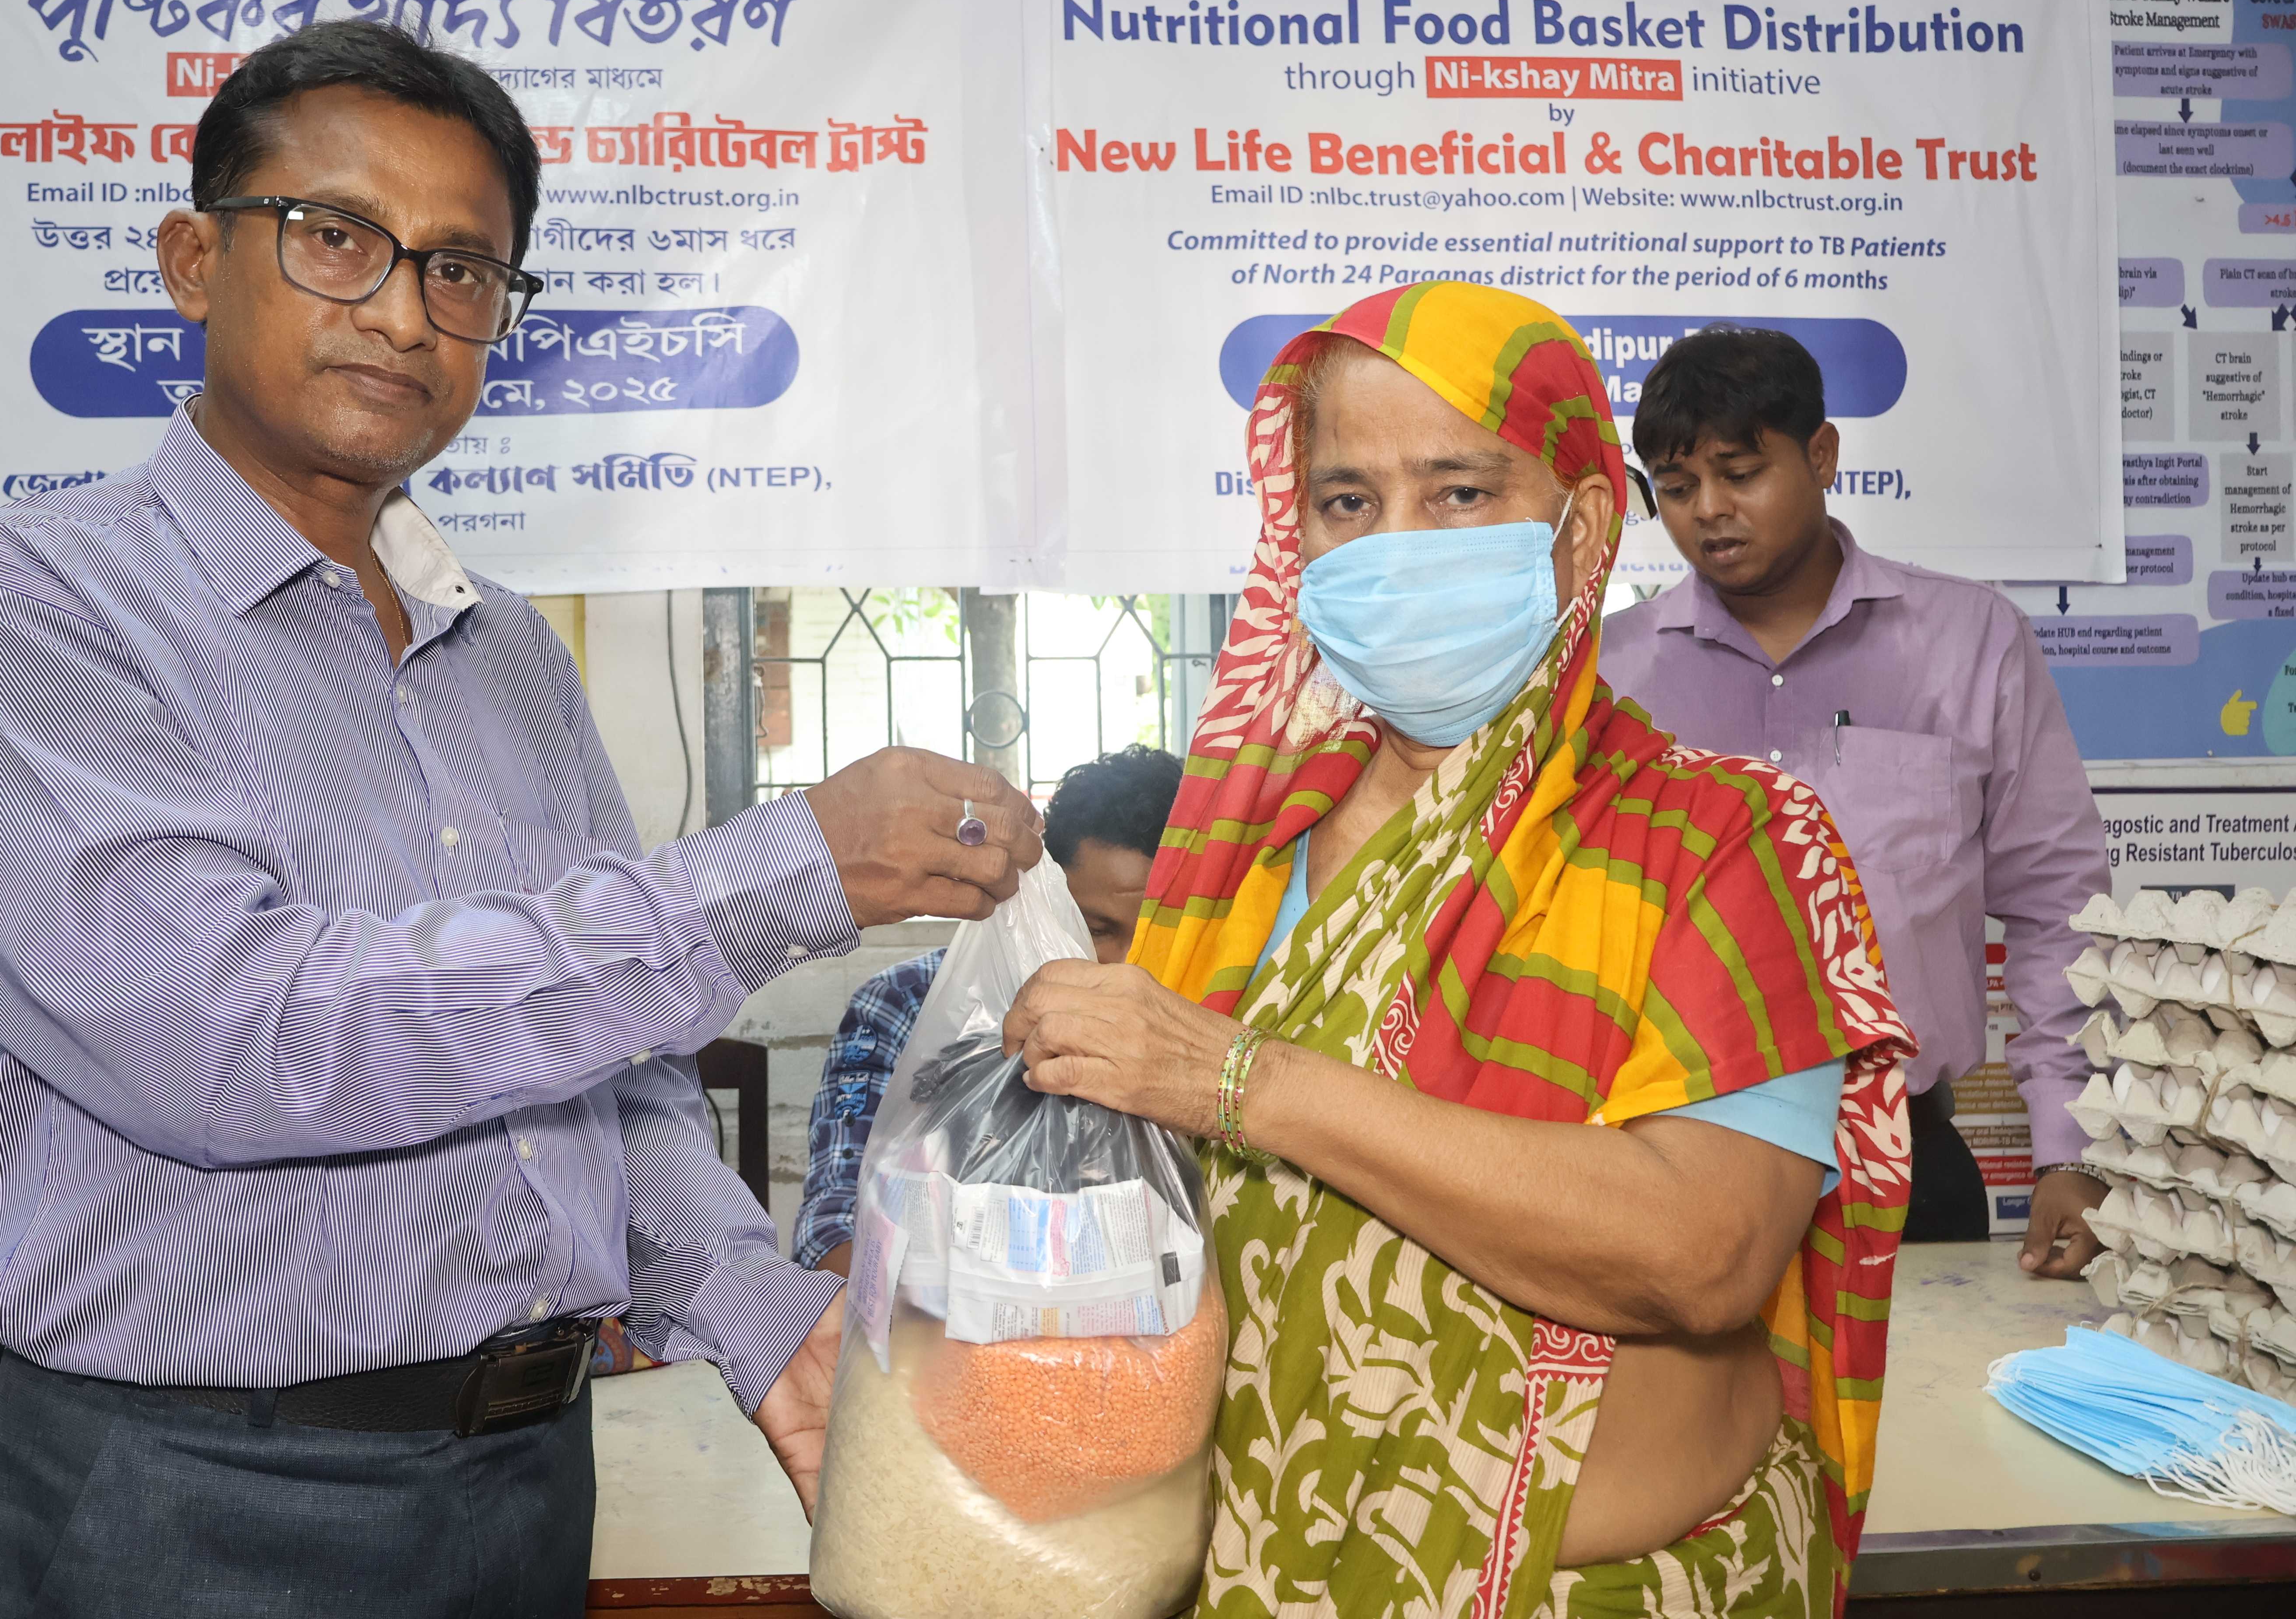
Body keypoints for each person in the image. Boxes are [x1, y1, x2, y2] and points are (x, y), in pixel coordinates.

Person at [0, 19, 1039, 1617]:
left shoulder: (508, 656)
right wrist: (781, 874)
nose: (401, 312)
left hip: (528, 1471)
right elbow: (232, 1038)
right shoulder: (30, 603)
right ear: (194, 262)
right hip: (194, 1493)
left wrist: (752, 1307)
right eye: (336, 237)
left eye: (460, 268)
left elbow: (605, 1059)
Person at [999, 282, 1914, 1616]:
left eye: (1459, 493)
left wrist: (1241, 1080)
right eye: (1347, 500)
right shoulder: (1237, 851)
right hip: (1254, 1574)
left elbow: (1704, 1251)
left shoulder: (1721, 839)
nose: (1396, 546)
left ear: (1579, 528)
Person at [1598, 326, 2110, 1267]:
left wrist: (2066, 1151)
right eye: (1675, 487)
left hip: (1907, 1163)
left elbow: (2058, 908)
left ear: (1823, 455)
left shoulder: (1971, 642)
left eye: (1741, 473)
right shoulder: (1609, 676)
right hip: (1662, 1162)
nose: (1709, 511)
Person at [795, 742, 1184, 1275]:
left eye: (1161, 938)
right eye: (1096, 930)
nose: (1125, 967)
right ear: (1046, 894)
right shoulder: (904, 1006)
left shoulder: (1208, 1031)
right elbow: (832, 1233)